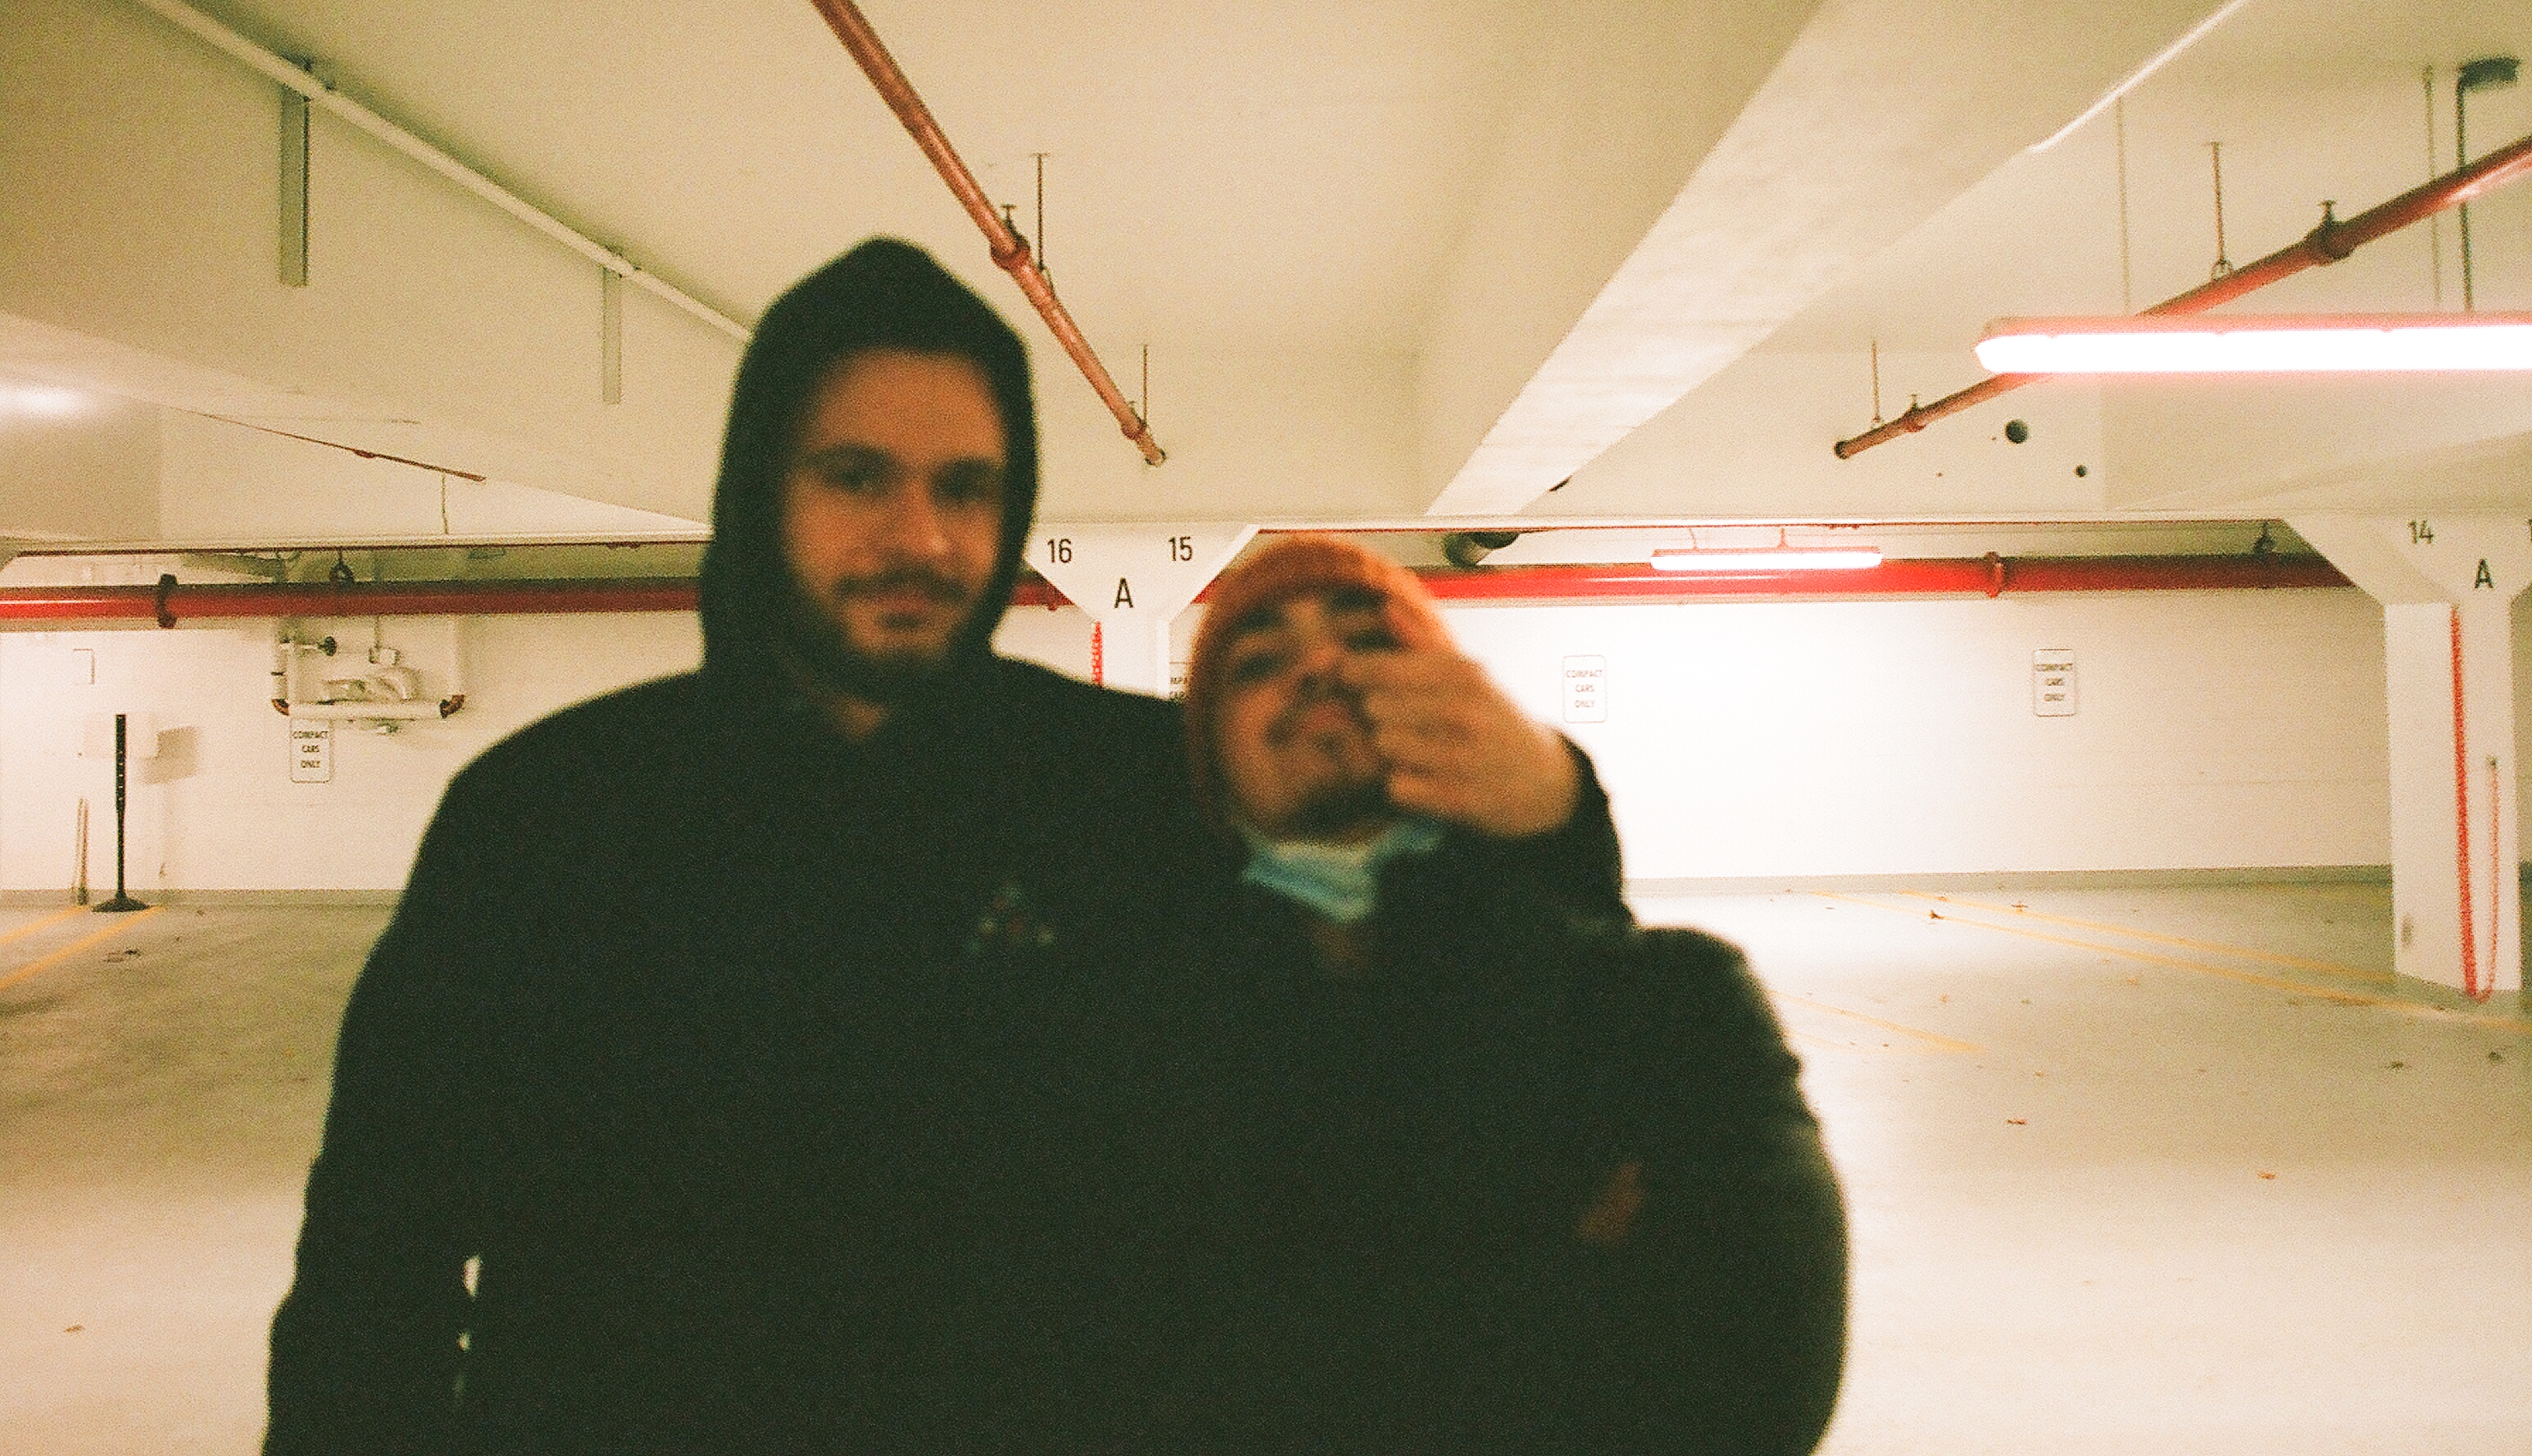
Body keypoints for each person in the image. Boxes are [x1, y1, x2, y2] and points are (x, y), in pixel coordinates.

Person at [262, 239, 1591, 1455]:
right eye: (856, 477)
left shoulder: (1137, 789)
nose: (920, 536)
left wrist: (1548, 807)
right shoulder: (547, 820)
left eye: (966, 487)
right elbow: (377, 1264)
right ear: (760, 488)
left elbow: (1454, 1008)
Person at [1173, 535, 1849, 1456]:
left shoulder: (1672, 1007)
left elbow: (1750, 1389)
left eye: (1369, 643)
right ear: (1208, 765)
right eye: (1258, 662)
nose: (1321, 667)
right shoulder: (1140, 1032)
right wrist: (1552, 1269)